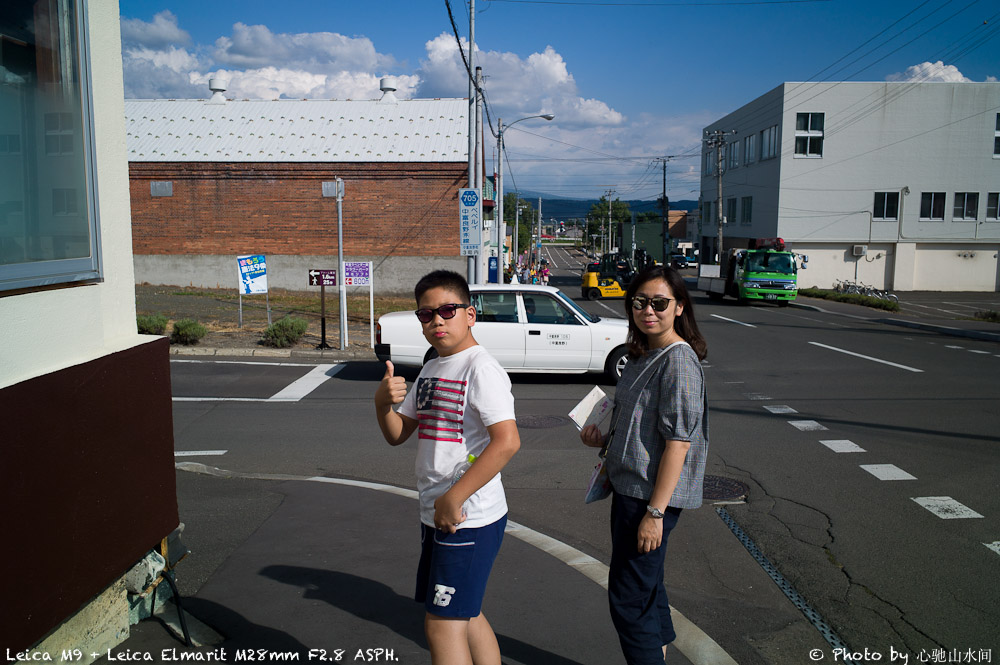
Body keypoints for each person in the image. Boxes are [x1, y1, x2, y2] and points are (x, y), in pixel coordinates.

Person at [374, 270, 521, 665]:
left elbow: (507, 441)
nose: (437, 320)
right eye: (426, 314)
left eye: (447, 310)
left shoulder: (480, 368)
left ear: (470, 314)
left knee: (441, 624)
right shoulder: (433, 368)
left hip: (467, 517)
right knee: (466, 615)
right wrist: (381, 403)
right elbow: (397, 433)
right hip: (440, 513)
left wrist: (454, 497)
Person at [579, 265, 709, 665]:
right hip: (629, 490)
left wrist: (655, 512)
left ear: (679, 306)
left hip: (648, 498)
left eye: (659, 302)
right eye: (639, 302)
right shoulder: (644, 354)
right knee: (648, 588)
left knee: (628, 598)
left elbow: (678, 443)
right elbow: (641, 426)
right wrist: (602, 437)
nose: (648, 310)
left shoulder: (678, 361)